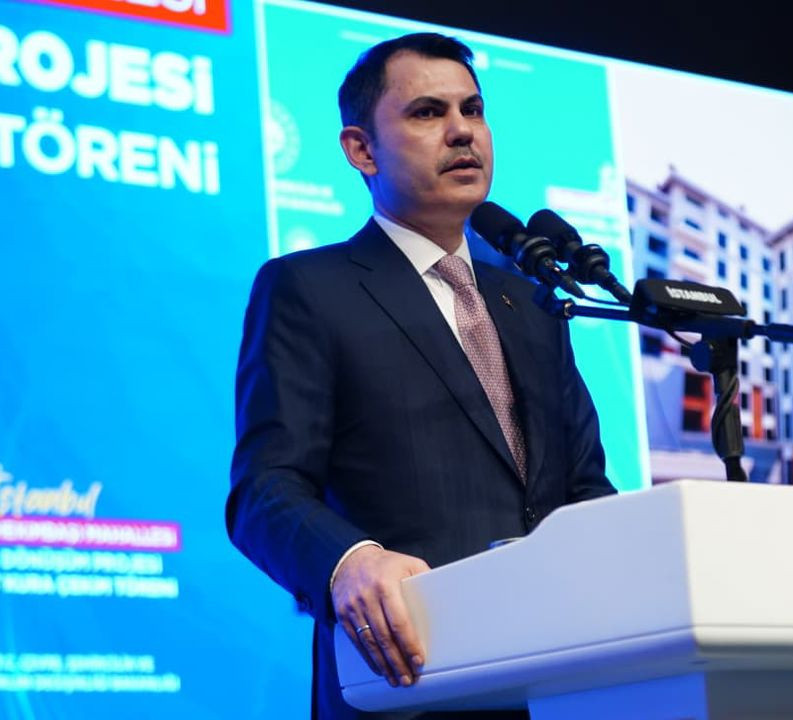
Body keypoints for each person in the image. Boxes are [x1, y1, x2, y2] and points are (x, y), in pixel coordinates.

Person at [225, 32, 617, 720]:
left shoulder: (531, 303)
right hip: (409, 682)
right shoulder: (309, 289)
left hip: (556, 685)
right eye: (428, 112)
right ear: (362, 150)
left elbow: (585, 490)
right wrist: (349, 561)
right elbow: (264, 490)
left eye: (473, 109)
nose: (462, 131)